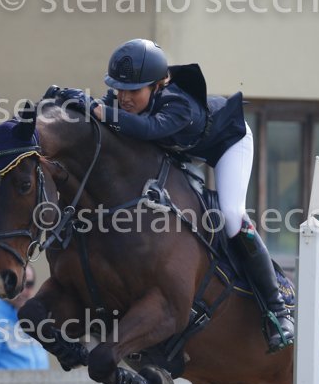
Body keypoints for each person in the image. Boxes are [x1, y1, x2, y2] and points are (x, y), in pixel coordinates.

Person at [54, 38, 293, 353]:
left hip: (227, 145)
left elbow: (147, 129)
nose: (124, 98)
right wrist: (69, 102)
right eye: (119, 89)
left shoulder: (179, 104)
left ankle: (277, 310)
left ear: (158, 85)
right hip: (185, 151)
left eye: (133, 91)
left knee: (232, 215)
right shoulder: (123, 99)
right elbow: (104, 114)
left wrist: (98, 110)